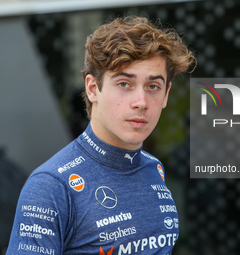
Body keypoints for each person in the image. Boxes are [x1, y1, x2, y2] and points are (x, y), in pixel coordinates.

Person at [6, 15, 195, 255]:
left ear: (166, 94)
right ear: (93, 88)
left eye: (153, 86)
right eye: (124, 83)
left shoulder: (153, 168)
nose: (141, 102)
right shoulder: (50, 186)